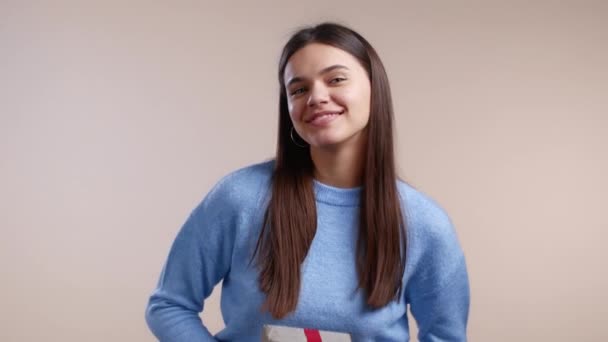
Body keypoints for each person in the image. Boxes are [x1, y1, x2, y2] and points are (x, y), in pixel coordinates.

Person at [145, 22, 470, 341]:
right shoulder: (239, 197)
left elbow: (446, 335)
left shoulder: (423, 222)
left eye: (336, 79)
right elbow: (169, 304)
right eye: (299, 89)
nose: (316, 96)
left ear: (375, 87)